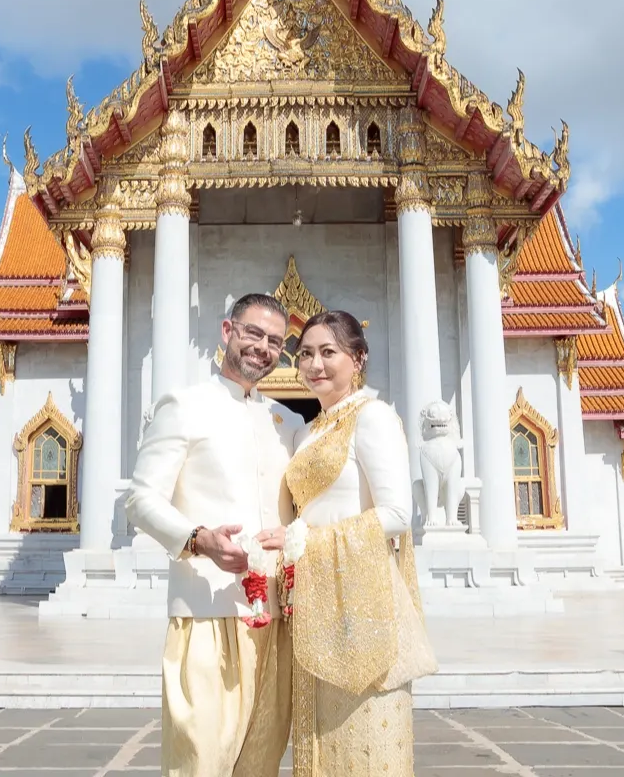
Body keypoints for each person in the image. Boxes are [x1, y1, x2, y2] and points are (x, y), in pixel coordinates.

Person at [125, 293, 307, 777]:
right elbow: (140, 499)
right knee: (200, 761)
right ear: (228, 332)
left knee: (260, 763)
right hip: (206, 610)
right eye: (253, 333)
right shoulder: (184, 406)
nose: (263, 348)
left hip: (273, 616)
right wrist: (198, 538)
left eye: (275, 341)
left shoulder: (288, 423)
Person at [258, 309, 437, 775]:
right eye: (304, 354)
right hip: (316, 599)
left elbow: (398, 514)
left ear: (358, 359)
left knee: (364, 745)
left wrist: (304, 540)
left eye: (328, 352)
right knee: (319, 744)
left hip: (363, 601)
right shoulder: (308, 431)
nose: (314, 364)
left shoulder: (373, 417)